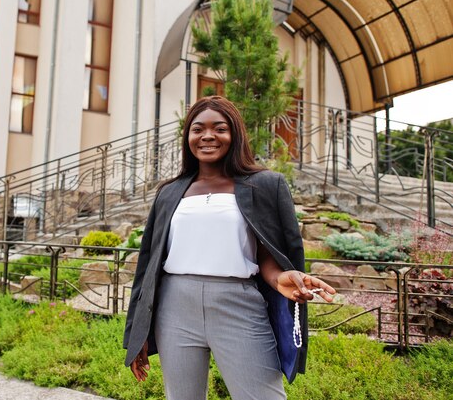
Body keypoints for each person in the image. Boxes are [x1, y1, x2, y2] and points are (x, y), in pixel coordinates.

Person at [122, 96, 336, 400]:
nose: (207, 136)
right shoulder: (169, 192)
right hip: (175, 307)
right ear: (188, 137)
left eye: (219, 128)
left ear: (234, 134)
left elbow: (268, 254)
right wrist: (137, 333)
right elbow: (148, 265)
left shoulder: (265, 185)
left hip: (238, 304)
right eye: (198, 129)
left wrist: (282, 278)